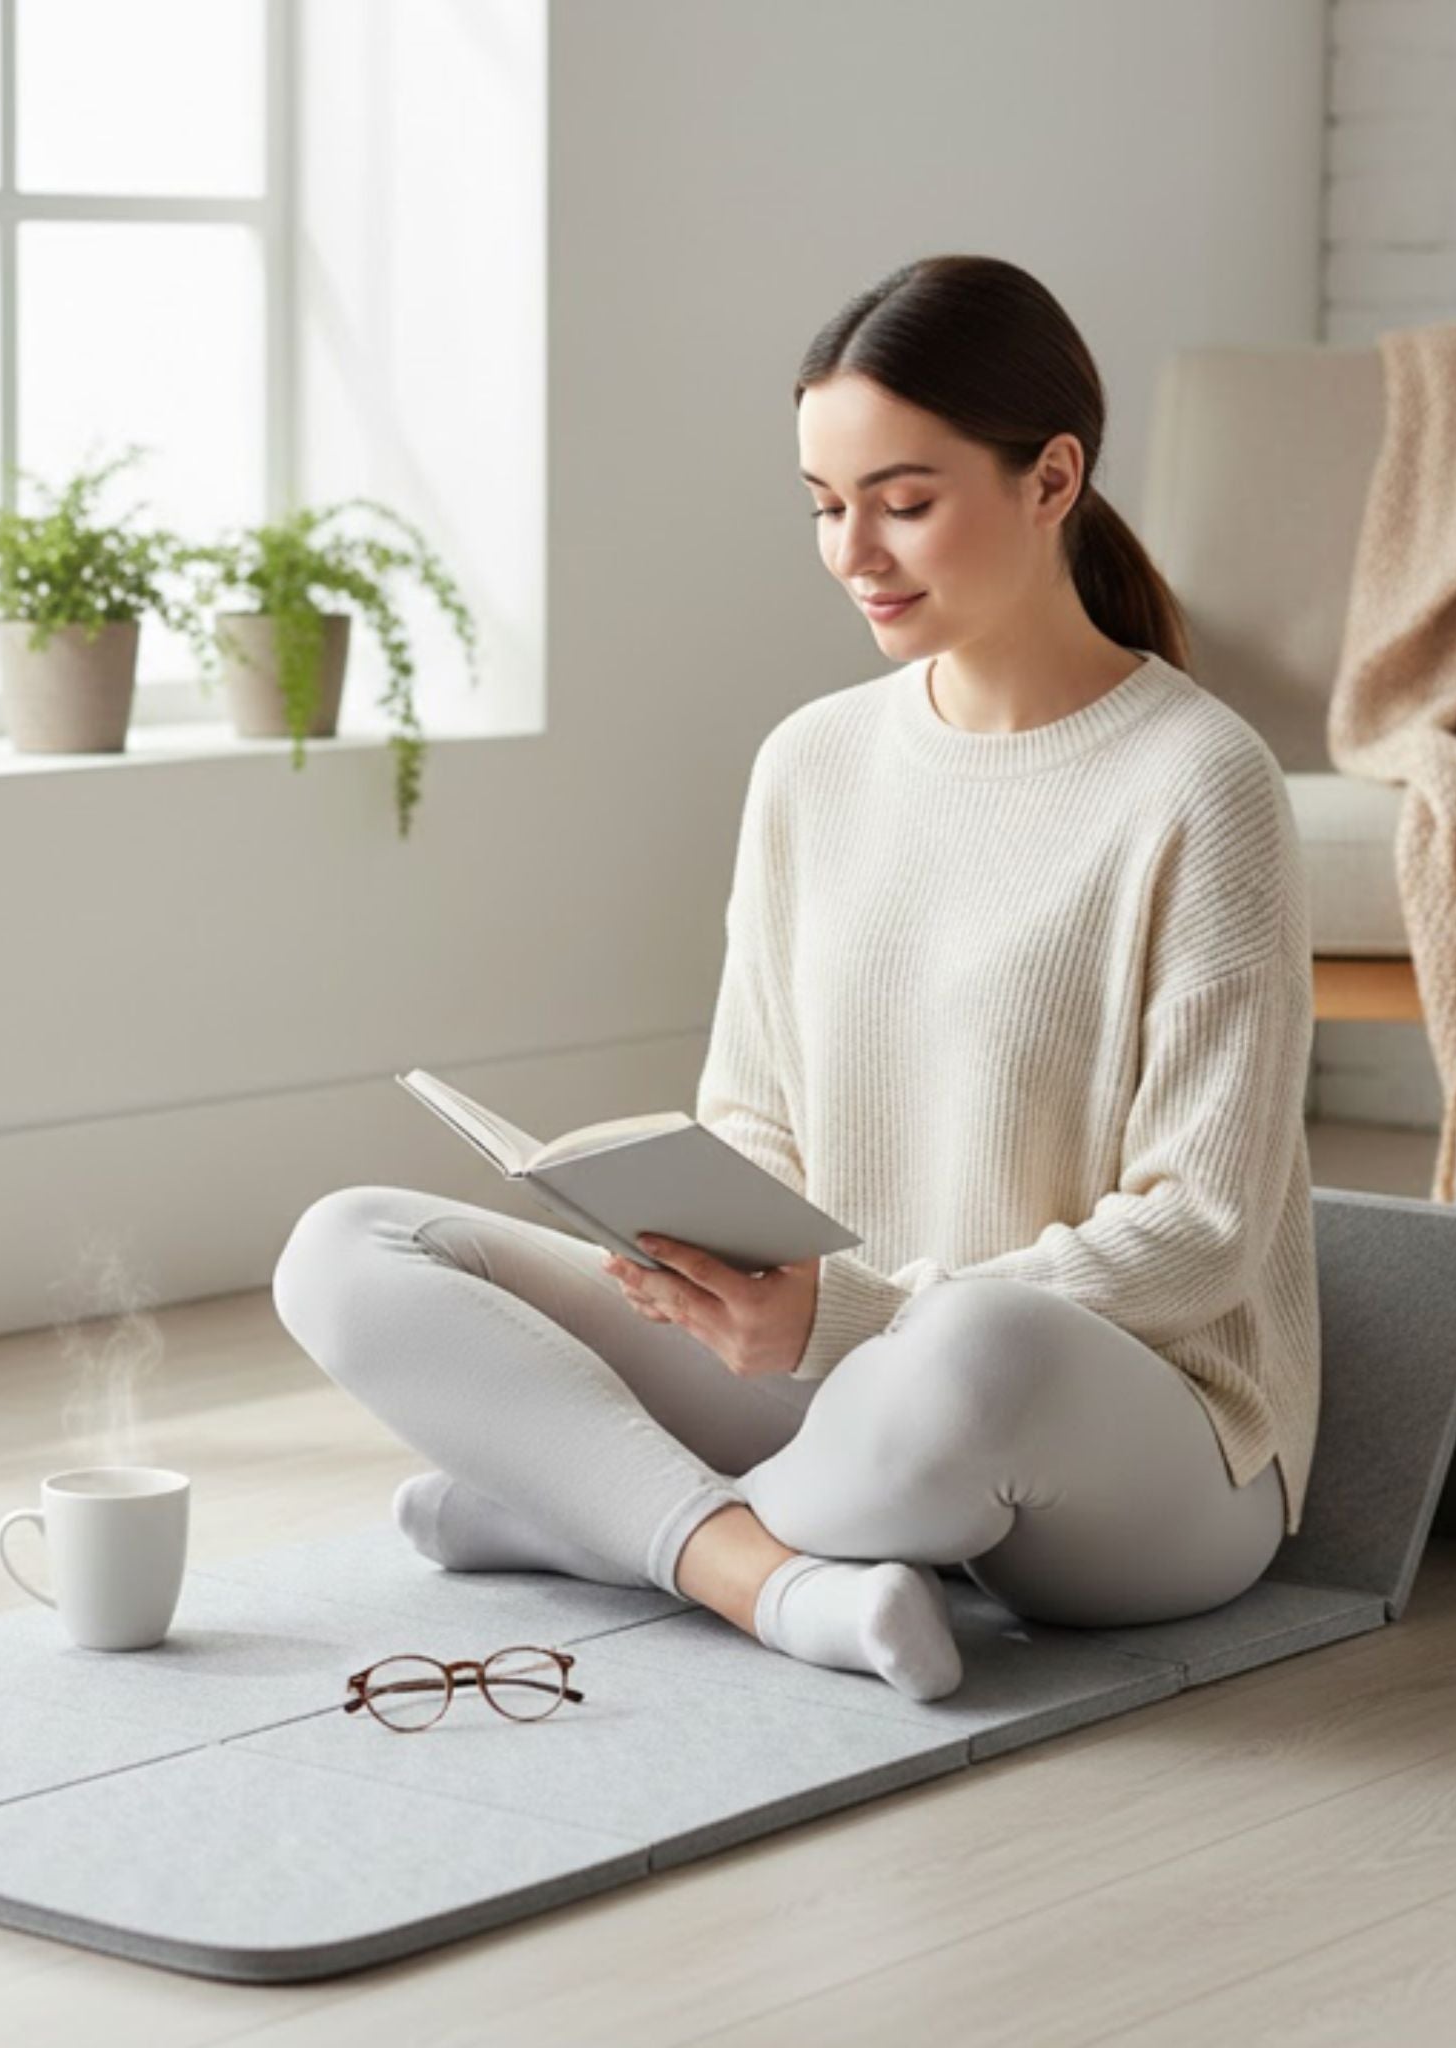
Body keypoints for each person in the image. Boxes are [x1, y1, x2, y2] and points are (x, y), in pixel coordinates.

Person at [271, 253, 1319, 1704]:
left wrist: (864, 1317)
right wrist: (692, 1252)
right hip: (829, 1377)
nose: (855, 552)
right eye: (827, 507)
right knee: (349, 1244)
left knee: (976, 1352)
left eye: (904, 500)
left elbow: (1199, 1234)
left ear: (1053, 478)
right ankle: (758, 1574)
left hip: (1126, 1442)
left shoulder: (1202, 782)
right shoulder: (812, 760)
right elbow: (753, 1116)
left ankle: (602, 1515)